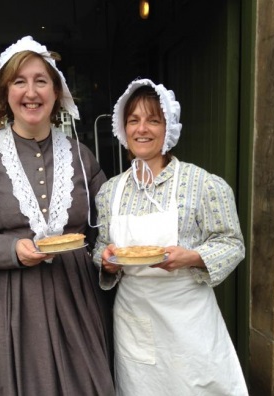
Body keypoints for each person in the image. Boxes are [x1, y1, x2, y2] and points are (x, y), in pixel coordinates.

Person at [0, 36, 115, 396]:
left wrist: (111, 256)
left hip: (77, 295)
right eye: (19, 81)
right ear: (6, 94)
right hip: (11, 299)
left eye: (41, 80)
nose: (31, 91)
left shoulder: (81, 157)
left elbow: (111, 223)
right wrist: (15, 249)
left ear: (56, 92)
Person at [93, 78, 249, 395]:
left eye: (153, 120)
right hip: (135, 318)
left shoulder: (204, 184)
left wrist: (191, 257)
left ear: (169, 129)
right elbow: (100, 248)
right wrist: (107, 262)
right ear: (123, 130)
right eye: (133, 120)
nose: (142, 129)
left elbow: (232, 244)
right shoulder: (110, 192)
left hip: (189, 319)